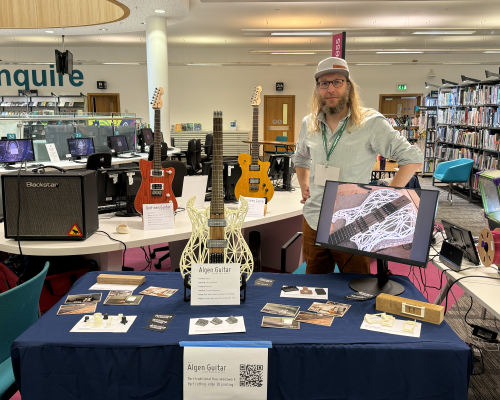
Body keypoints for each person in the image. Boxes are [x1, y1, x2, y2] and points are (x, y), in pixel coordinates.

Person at [292, 57, 423, 274]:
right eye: (324, 83)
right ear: (317, 89)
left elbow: (412, 158)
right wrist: (304, 183)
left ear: (348, 86)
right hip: (314, 217)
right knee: (314, 284)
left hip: (353, 223)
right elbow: (301, 157)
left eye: (337, 82)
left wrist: (386, 196)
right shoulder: (310, 122)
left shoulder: (370, 123)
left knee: (356, 287)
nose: (330, 89)